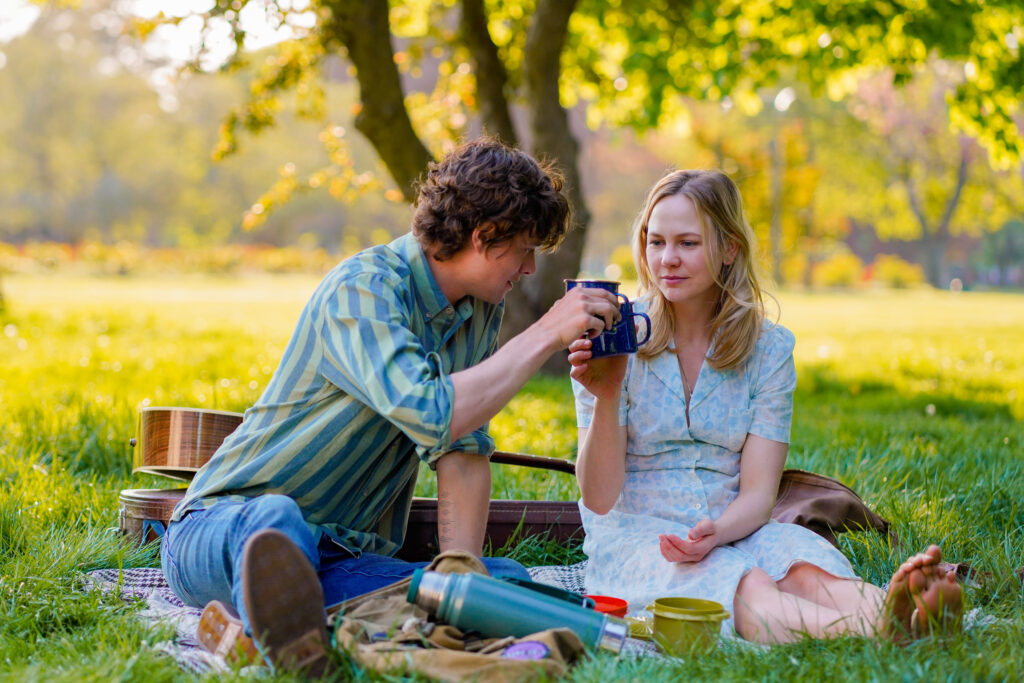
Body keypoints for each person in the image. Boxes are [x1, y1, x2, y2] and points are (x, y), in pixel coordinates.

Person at [160, 137, 622, 671]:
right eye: (524, 249)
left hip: (342, 558)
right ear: (485, 236)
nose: (527, 268)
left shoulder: (478, 312)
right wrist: (545, 333)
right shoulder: (364, 289)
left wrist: (463, 584)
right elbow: (429, 410)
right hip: (226, 527)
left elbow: (463, 453)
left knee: (506, 586)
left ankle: (288, 633)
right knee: (276, 520)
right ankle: (291, 627)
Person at [568, 169, 962, 645]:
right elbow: (599, 498)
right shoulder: (614, 340)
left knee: (800, 566)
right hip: (639, 537)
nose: (666, 259)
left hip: (736, 524)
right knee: (746, 583)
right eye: (656, 242)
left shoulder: (768, 349)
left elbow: (758, 493)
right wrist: (605, 396)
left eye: (688, 243)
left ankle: (907, 609)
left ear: (729, 248)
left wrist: (718, 531)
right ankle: (883, 629)